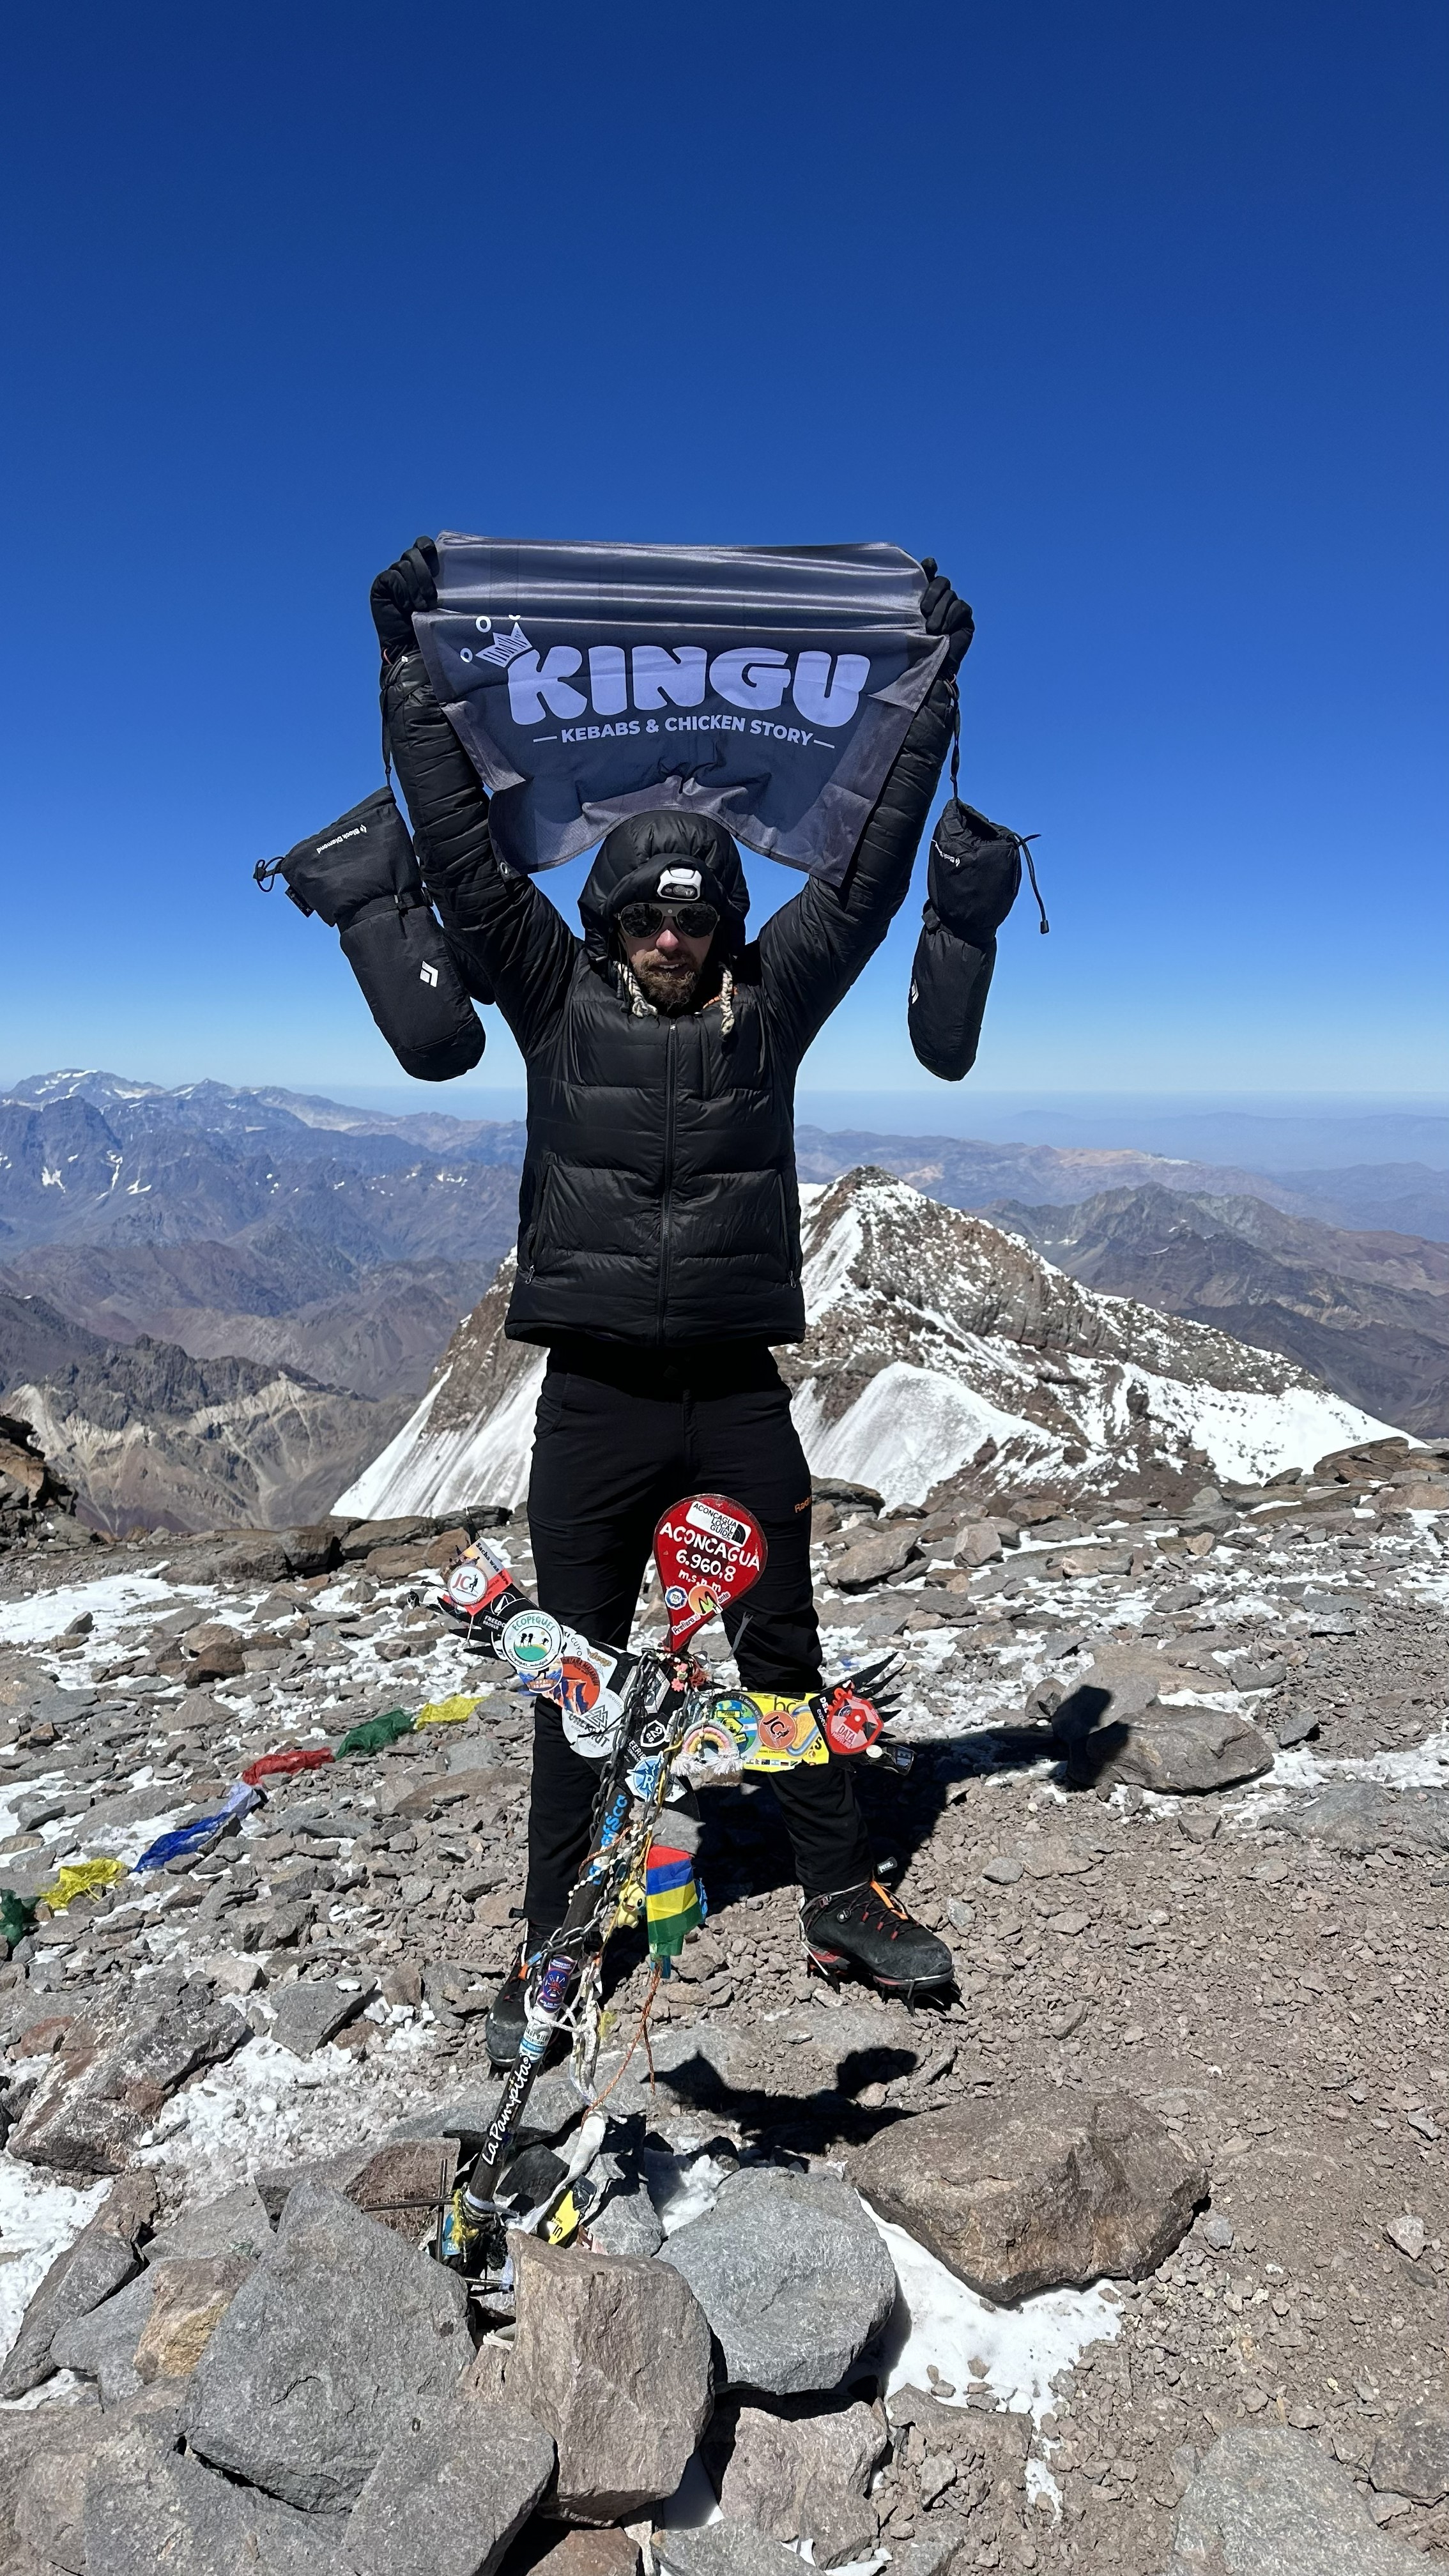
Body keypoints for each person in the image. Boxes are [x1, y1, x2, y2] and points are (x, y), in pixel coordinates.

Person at [370, 539, 981, 2063]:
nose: (673, 932)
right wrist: (403, 675)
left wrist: (930, 692)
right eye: (647, 911)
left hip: (733, 1394)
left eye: (696, 914)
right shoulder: (545, 992)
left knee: (782, 1644)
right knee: (578, 1672)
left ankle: (840, 1884)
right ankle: (553, 1938)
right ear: (611, 919)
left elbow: (867, 867)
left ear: (722, 925)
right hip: (589, 1396)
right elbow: (458, 848)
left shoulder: (773, 1007)